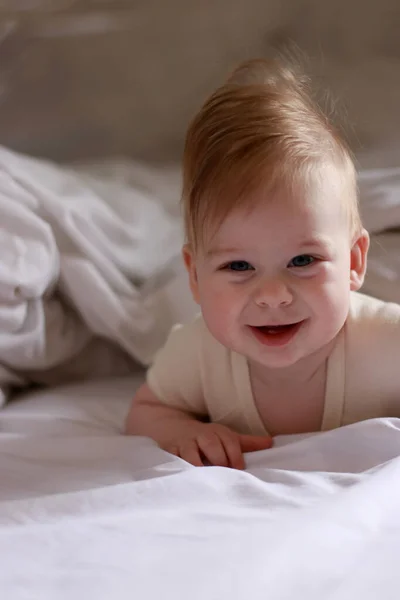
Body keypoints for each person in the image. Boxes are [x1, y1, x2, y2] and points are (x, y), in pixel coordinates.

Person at [125, 58, 400, 470]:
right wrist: (180, 430)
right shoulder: (197, 355)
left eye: (303, 260)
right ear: (195, 276)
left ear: (354, 262)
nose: (272, 295)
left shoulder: (385, 344)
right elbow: (145, 410)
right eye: (238, 266)